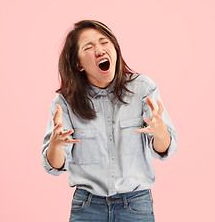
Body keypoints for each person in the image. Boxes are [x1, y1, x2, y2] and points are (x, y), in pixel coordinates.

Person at [41, 20, 177, 222]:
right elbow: (54, 165)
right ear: (78, 64)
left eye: (104, 42)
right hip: (87, 207)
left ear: (115, 49)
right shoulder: (65, 102)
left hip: (136, 205)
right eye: (88, 47)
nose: (99, 50)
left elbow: (164, 149)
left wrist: (160, 133)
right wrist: (55, 145)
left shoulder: (143, 88)